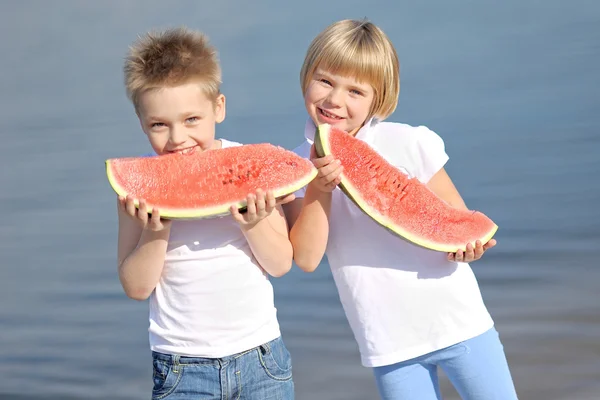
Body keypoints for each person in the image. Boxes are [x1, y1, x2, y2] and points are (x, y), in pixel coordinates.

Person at [284, 19, 518, 400]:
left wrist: (468, 248)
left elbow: (454, 221)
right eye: (325, 81)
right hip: (388, 343)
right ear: (306, 77)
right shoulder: (296, 166)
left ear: (379, 100)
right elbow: (307, 258)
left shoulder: (410, 143)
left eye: (355, 90)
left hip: (460, 324)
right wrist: (318, 188)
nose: (334, 100)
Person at [118, 27, 294, 400]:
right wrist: (156, 231)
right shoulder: (138, 187)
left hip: (261, 359)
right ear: (141, 121)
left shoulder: (250, 168)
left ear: (219, 107)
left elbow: (280, 264)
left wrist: (255, 222)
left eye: (191, 120)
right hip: (182, 369)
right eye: (159, 125)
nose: (177, 138)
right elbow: (136, 287)